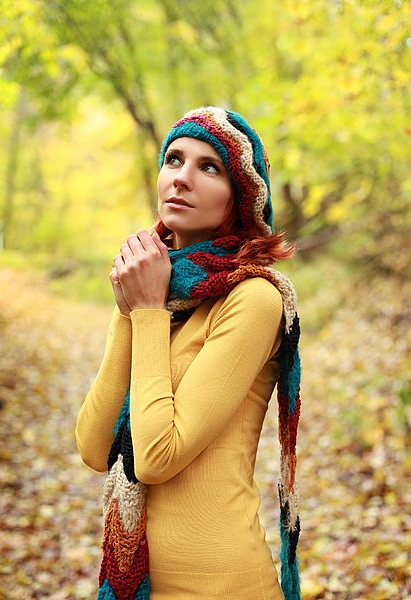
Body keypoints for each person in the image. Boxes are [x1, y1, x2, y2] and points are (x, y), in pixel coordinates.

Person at [75, 106, 302, 600]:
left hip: (221, 585)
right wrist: (131, 311)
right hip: (142, 583)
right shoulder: (160, 294)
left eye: (209, 166)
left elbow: (156, 457)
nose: (182, 178)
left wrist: (148, 309)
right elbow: (95, 448)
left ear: (240, 198)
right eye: (174, 159)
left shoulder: (254, 298)